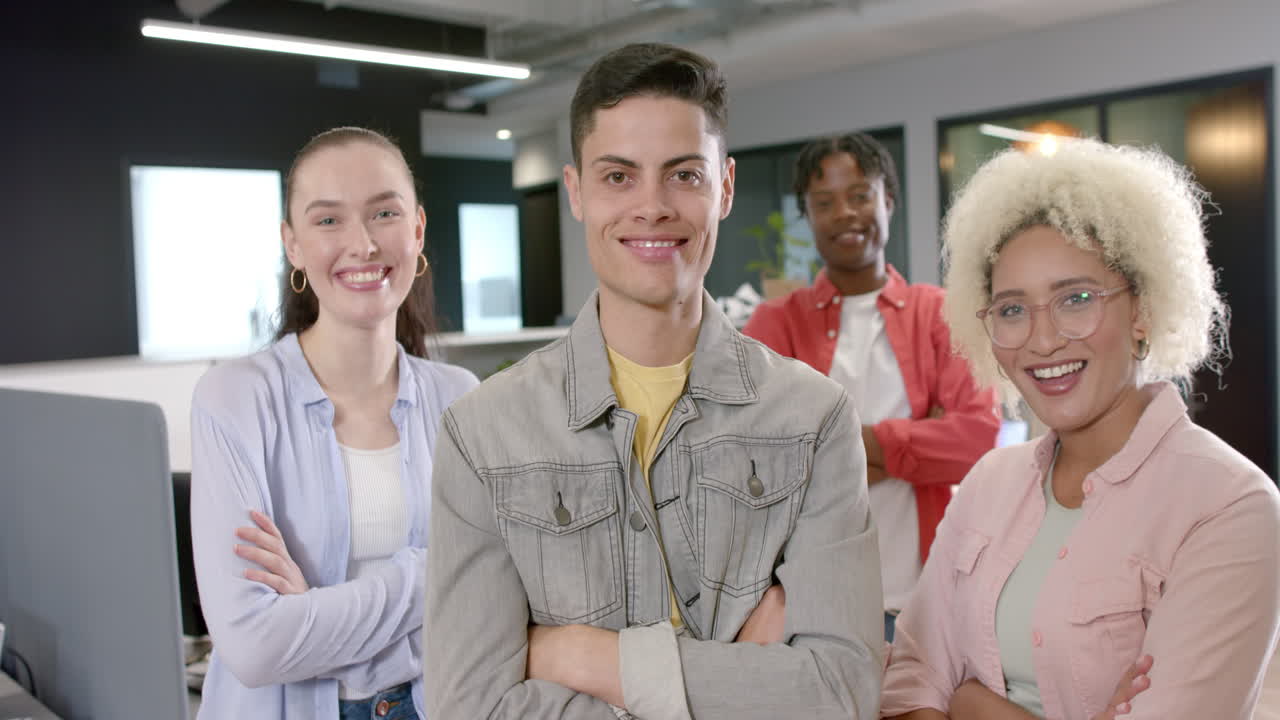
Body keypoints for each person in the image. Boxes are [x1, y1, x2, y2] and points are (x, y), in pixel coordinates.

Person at [423, 43, 883, 719]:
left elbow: (841, 692)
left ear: (725, 188)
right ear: (576, 192)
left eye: (683, 175)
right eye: (618, 177)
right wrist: (745, 681)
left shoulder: (813, 420)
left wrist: (590, 659)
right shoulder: (483, 433)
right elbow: (467, 706)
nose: (652, 207)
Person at [881, 138, 1280, 720]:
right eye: (1012, 309)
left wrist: (972, 705)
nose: (1043, 340)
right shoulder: (990, 483)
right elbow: (906, 688)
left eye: (1076, 299)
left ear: (1142, 311)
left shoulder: (1228, 505)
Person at [190, 126, 478, 719]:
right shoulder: (234, 399)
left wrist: (311, 608)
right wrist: (433, 571)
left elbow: (491, 602)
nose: (363, 244)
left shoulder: (460, 398)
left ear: (418, 229)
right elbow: (254, 647)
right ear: (292, 244)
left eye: (384, 213)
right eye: (328, 220)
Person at [743, 133, 1000, 640]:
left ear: (888, 201)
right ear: (807, 216)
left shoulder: (940, 314)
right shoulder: (776, 323)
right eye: (824, 203)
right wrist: (915, 442)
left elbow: (976, 438)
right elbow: (758, 459)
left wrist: (833, 449)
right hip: (810, 605)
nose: (844, 213)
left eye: (860, 195)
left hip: (925, 599)